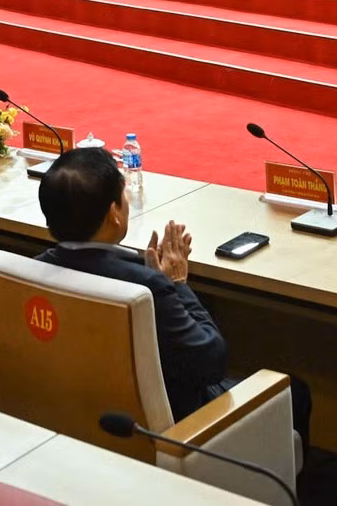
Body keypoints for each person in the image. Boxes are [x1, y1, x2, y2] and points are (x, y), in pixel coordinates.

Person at [35, 146, 232, 421]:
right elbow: (210, 362)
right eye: (123, 193)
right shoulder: (144, 286)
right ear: (114, 212)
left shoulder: (33, 268)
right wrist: (176, 283)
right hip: (162, 431)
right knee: (294, 392)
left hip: (69, 414)